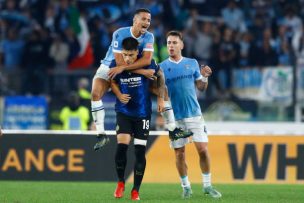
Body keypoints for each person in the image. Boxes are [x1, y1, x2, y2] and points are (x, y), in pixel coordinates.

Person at [92, 8, 190, 150]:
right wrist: (143, 72)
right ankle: (101, 134)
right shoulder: (119, 34)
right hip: (109, 68)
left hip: (131, 69)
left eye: (149, 20)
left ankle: (173, 129)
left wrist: (141, 71)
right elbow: (119, 64)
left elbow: (146, 60)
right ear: (135, 20)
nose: (146, 22)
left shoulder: (149, 37)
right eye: (143, 19)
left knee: (163, 91)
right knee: (95, 94)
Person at [159, 31, 222, 199]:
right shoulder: (162, 67)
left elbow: (201, 87)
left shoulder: (192, 63)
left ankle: (207, 186)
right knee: (179, 153)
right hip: (175, 118)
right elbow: (161, 93)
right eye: (168, 43)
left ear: (181, 45)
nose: (171, 46)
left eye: (174, 42)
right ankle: (186, 187)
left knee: (202, 149)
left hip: (194, 115)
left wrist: (206, 77)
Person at [110, 37, 165, 200]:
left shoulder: (148, 62)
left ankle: (136, 190)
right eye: (125, 55)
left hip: (142, 114)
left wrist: (161, 98)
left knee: (140, 152)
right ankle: (121, 182)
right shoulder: (115, 64)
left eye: (131, 55)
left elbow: (159, 77)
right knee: (122, 146)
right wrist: (119, 94)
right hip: (124, 111)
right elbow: (112, 81)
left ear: (137, 52)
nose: (127, 59)